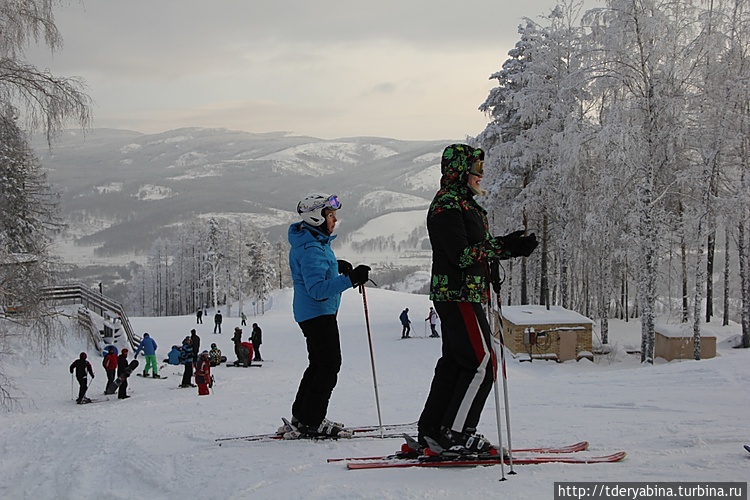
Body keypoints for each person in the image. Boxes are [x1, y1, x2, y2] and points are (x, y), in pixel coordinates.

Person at [416, 143, 538, 455]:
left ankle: (434, 429)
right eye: (476, 169)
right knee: (483, 362)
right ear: (459, 171)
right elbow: (460, 255)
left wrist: (510, 248)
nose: (479, 176)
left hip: (465, 292)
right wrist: (499, 246)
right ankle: (456, 432)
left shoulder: (462, 203)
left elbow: (476, 249)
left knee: (457, 362)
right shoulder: (447, 206)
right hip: (456, 293)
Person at [284, 192, 370, 438]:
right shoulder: (312, 248)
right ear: (315, 218)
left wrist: (336, 267)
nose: (334, 220)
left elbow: (317, 274)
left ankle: (302, 416)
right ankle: (312, 420)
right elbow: (318, 290)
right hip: (318, 314)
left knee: (319, 364)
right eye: (330, 215)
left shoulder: (312, 240)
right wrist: (349, 279)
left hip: (313, 314)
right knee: (329, 365)